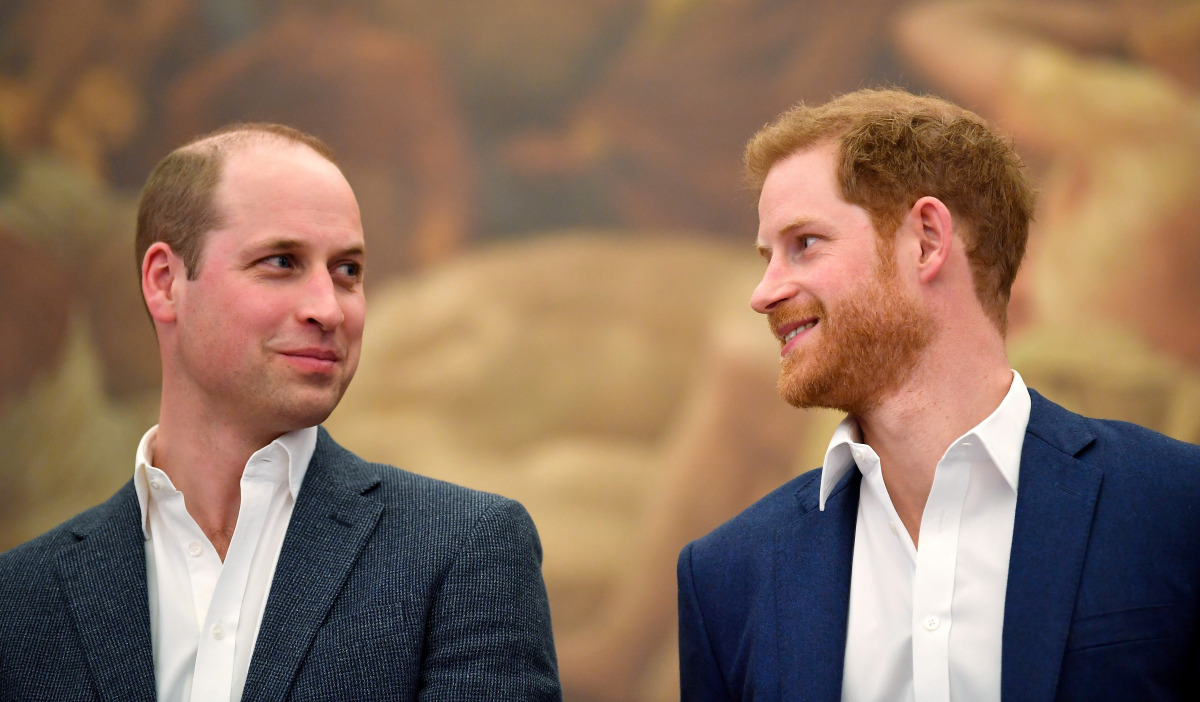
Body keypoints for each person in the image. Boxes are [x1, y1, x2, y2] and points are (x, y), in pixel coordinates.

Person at [0, 123, 561, 701]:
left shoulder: (464, 551)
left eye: (347, 272)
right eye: (281, 262)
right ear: (166, 283)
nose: (329, 309)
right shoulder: (19, 600)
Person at [676, 88, 1200, 701]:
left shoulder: (1176, 507)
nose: (763, 293)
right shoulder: (727, 575)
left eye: (805, 244)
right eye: (768, 257)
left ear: (926, 240)